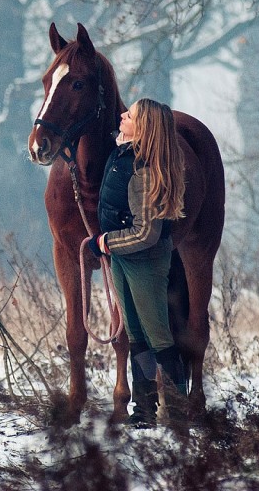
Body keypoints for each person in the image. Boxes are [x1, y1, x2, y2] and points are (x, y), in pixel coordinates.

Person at [87, 98, 188, 428]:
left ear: (142, 129)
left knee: (159, 338)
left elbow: (146, 233)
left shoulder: (143, 171)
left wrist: (105, 242)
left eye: (129, 115)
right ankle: (144, 412)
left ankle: (177, 415)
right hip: (123, 258)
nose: (122, 115)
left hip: (143, 259)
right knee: (137, 336)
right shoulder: (122, 155)